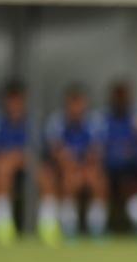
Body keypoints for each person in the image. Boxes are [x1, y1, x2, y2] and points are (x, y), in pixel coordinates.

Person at [37, 85, 108, 243]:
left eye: (79, 103)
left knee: (97, 179)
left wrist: (82, 169)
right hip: (62, 170)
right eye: (72, 103)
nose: (76, 108)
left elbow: (96, 152)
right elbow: (56, 152)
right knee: (60, 176)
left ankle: (97, 226)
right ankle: (67, 226)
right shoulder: (56, 122)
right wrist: (72, 167)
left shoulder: (95, 122)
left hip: (86, 168)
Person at [0, 79, 30, 244]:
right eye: (11, 99)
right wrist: (9, 157)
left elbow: (37, 151)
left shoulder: (31, 121)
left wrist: (19, 157)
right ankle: (2, 223)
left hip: (27, 166)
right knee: (0, 169)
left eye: (18, 99)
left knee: (47, 174)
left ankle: (50, 224)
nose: (14, 104)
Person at [102, 81, 137, 234]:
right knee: (98, 181)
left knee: (132, 185)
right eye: (118, 96)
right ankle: (98, 228)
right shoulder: (103, 121)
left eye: (123, 96)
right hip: (109, 172)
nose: (120, 100)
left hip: (133, 172)